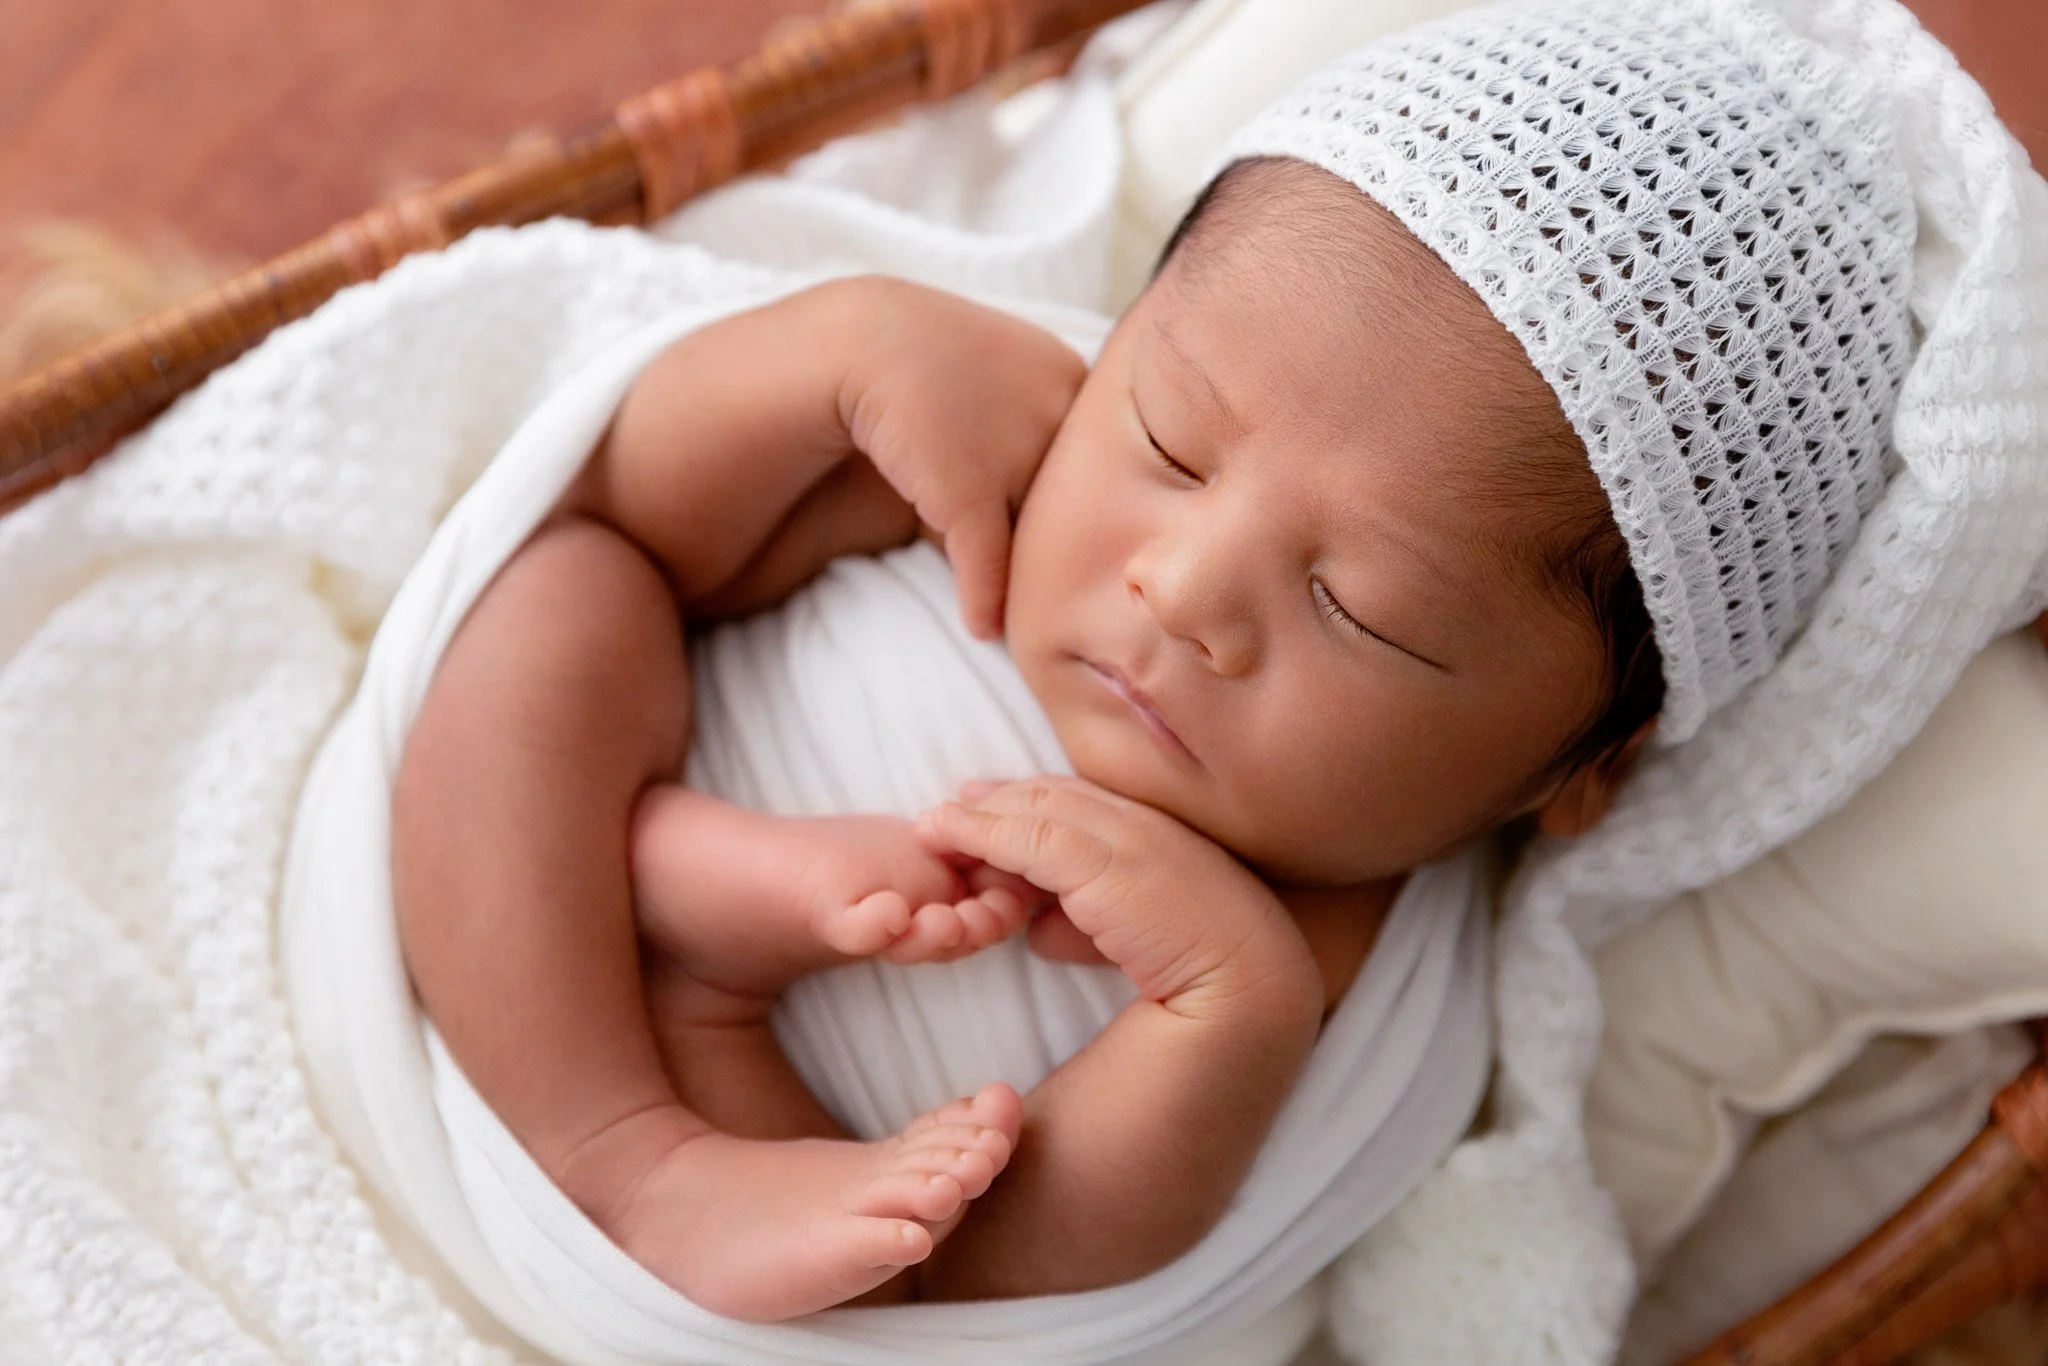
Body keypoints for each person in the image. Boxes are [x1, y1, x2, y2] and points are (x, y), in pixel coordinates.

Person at [391, 0, 1911, 1324]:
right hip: (511, 965)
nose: (1182, 588)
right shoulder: (1011, 465)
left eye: (1362, 609)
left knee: (882, 1263)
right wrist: (832, 357)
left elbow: (998, 1282)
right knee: (563, 597)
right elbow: (645, 520)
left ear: (1573, 773)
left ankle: (698, 938)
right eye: (1173, 444)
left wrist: (1223, 1012)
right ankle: (624, 1134)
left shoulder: (1322, 954)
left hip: (774, 1181)